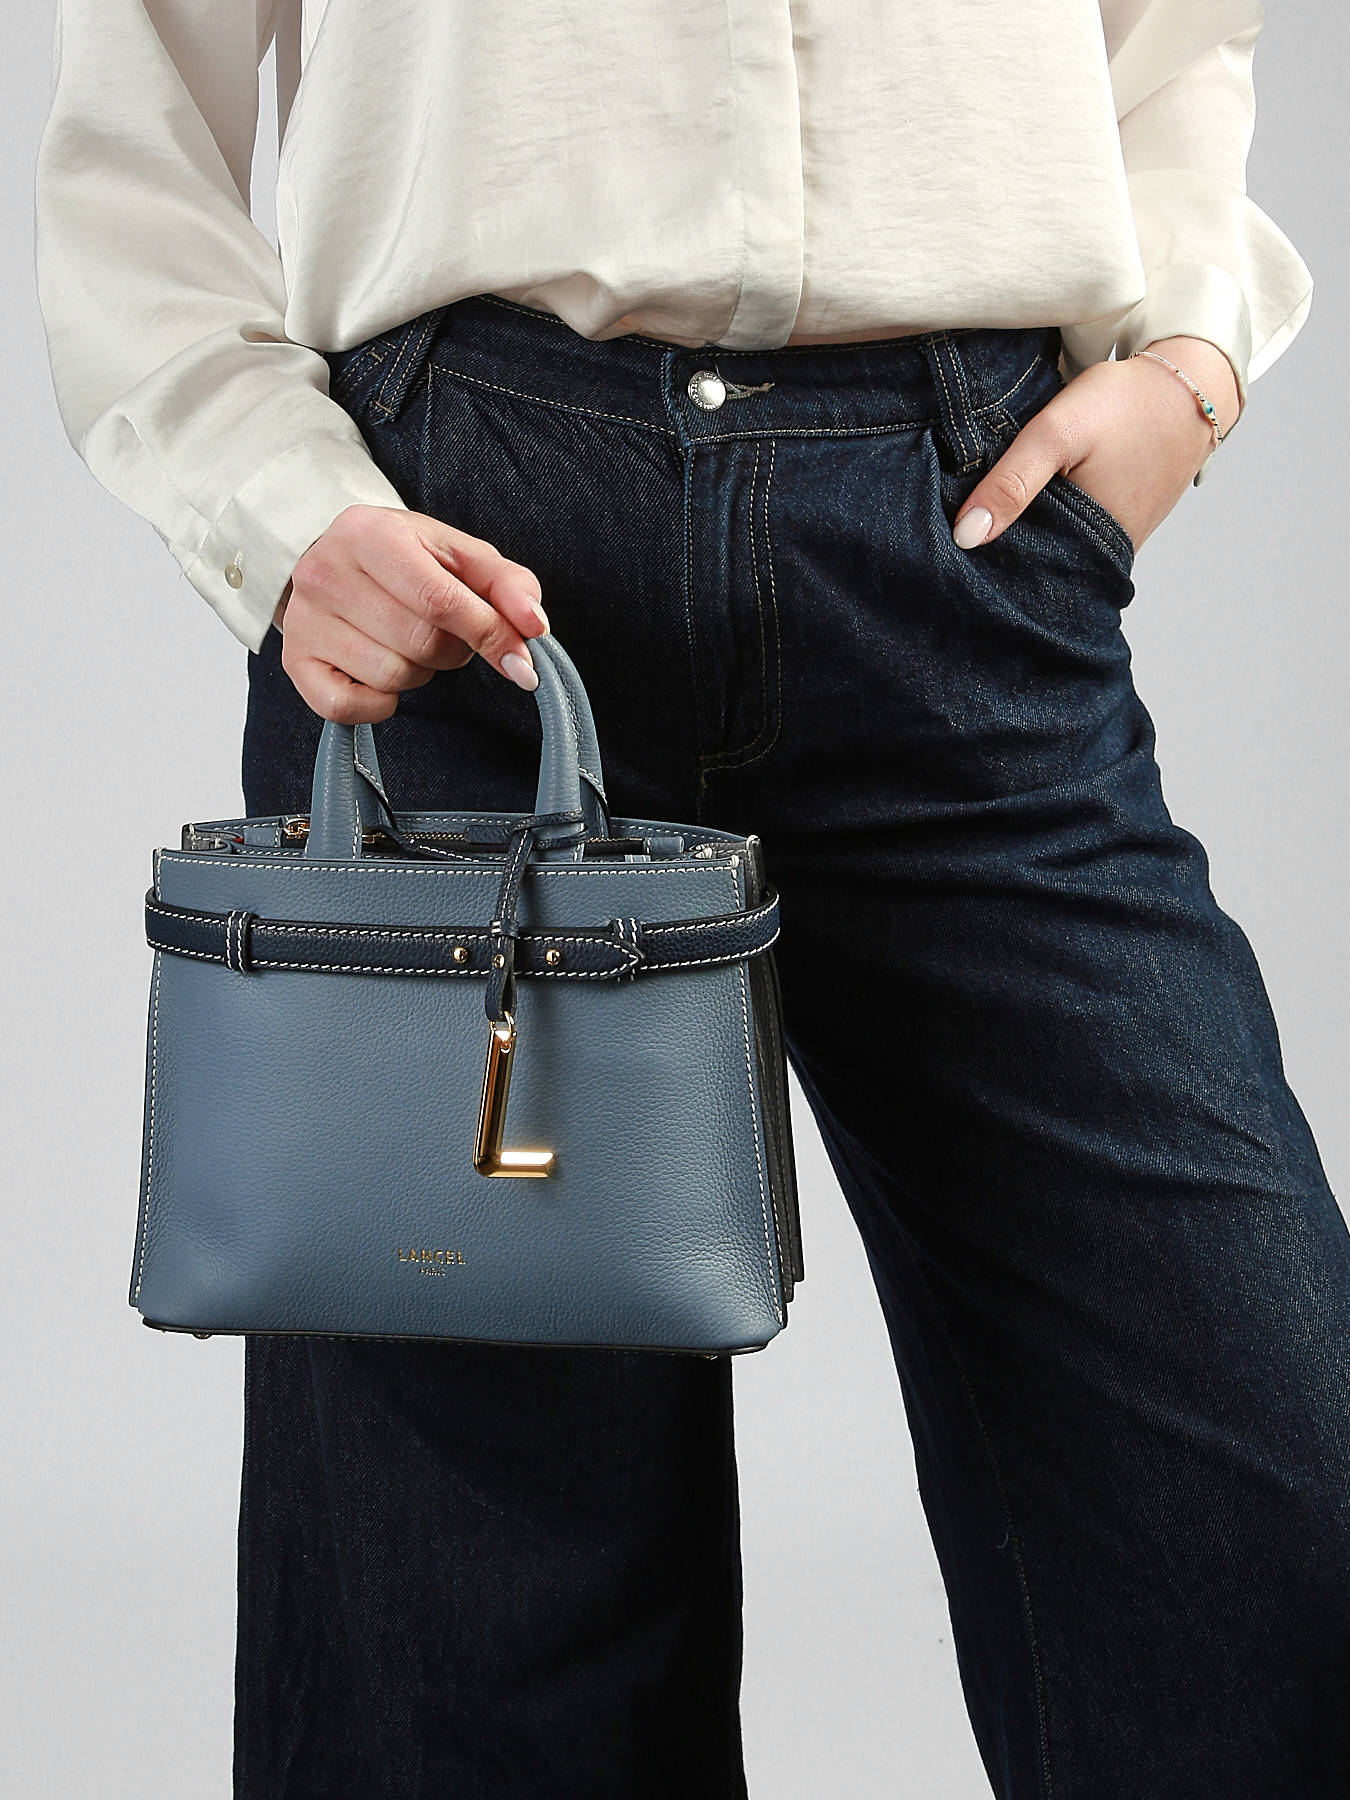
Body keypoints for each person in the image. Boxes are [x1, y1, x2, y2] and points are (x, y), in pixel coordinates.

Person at [33, 3, 1349, 1796]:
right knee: (470, 1646)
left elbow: (1170, 32)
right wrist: (277, 509)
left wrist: (1190, 351)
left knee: (1262, 1516)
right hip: (450, 582)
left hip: (957, 552)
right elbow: (137, 105)